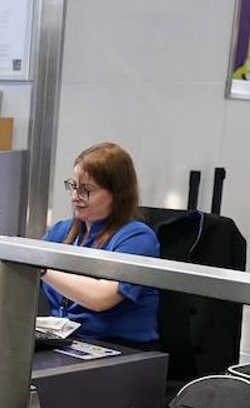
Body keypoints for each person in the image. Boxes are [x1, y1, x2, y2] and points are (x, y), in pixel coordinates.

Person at [40, 142, 160, 344]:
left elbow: (102, 298)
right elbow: (21, 263)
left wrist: (41, 269)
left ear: (117, 194)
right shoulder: (63, 231)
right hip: (66, 341)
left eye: (86, 190)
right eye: (73, 186)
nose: (75, 197)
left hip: (118, 349)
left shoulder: (138, 238)